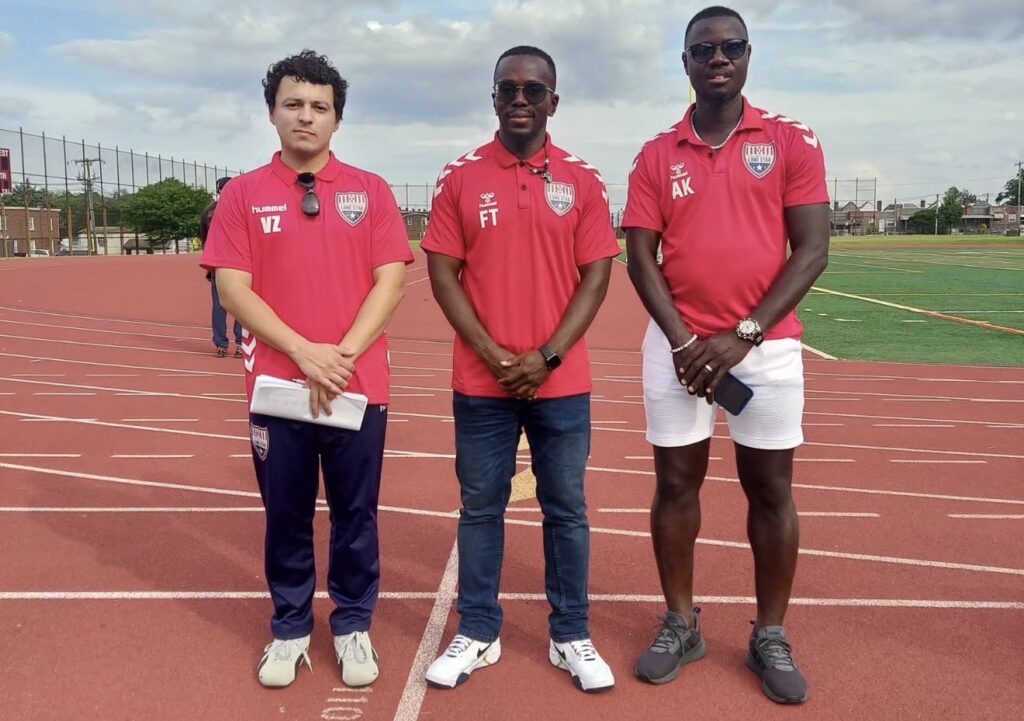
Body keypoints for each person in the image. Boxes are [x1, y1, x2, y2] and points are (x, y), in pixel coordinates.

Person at [622, 6, 830, 705]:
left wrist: (743, 334)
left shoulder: (791, 139)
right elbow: (640, 256)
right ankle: (681, 622)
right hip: (676, 348)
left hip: (766, 349)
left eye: (731, 47)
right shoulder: (656, 153)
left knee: (770, 489)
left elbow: (813, 250)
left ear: (748, 56)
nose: (718, 58)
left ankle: (770, 632)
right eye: (703, 49)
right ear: (684, 62)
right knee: (675, 485)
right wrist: (686, 341)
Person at [200, 50, 413, 689]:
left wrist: (338, 356)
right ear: (271, 113)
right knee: (286, 515)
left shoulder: (371, 191)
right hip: (278, 388)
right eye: (293, 104)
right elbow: (233, 289)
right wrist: (304, 353)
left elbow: (391, 282)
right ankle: (291, 627)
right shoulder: (242, 194)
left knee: (356, 515)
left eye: (320, 107)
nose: (306, 116)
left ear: (337, 120)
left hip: (356, 384)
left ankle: (353, 625)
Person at [421, 45, 620, 694]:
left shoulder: (583, 180)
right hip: (482, 383)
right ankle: (478, 630)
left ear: (553, 101)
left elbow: (597, 276)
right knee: (481, 507)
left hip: (561, 382)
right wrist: (490, 352)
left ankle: (571, 634)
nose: (520, 99)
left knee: (566, 509)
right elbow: (443, 273)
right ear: (494, 97)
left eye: (534, 90)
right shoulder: (459, 177)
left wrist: (548, 356)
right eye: (507, 88)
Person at [199, 176, 244, 357]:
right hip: (240, 263)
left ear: (218, 191)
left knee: (219, 305)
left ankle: (221, 344)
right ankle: (240, 343)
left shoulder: (208, 211)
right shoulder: (241, 207)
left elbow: (204, 239)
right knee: (242, 303)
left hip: (218, 264)